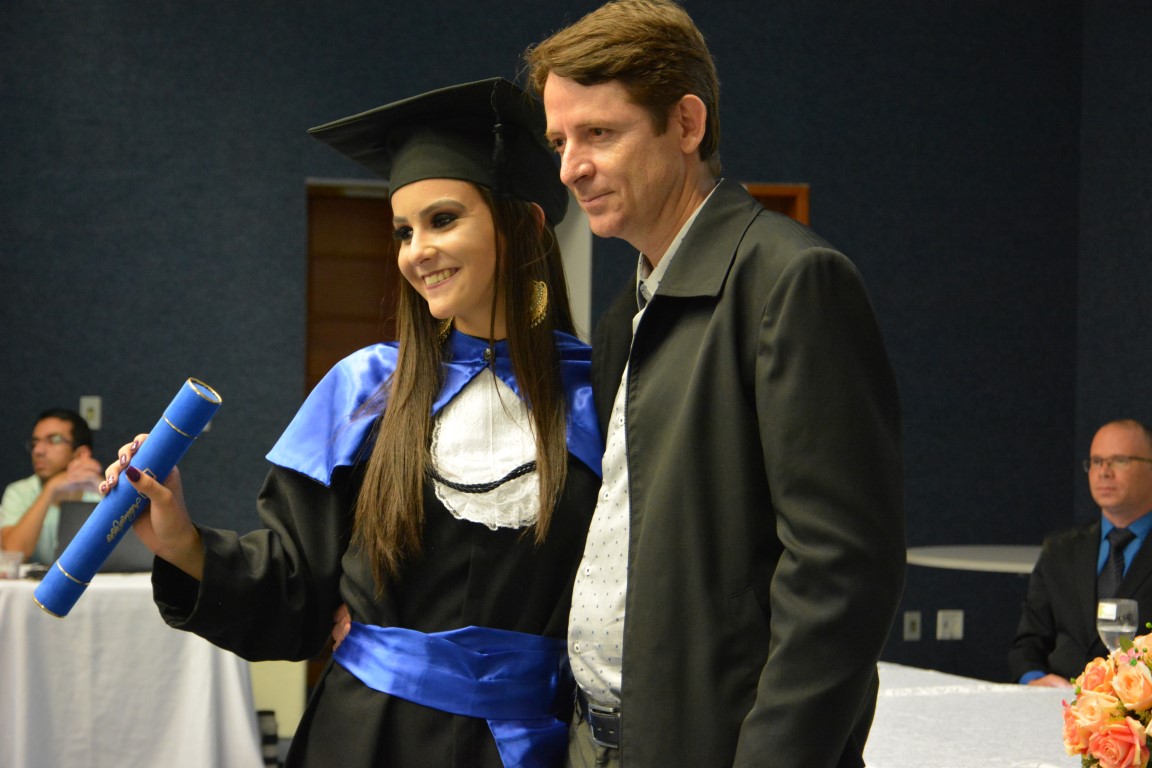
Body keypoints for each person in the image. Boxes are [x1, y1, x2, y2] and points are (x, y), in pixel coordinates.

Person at [101, 78, 602, 767]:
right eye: (403, 231)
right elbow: (296, 589)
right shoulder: (365, 390)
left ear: (524, 227)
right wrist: (182, 541)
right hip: (366, 739)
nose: (416, 251)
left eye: (443, 220)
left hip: (531, 746)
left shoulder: (600, 396)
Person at [521, 1, 906, 765]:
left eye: (599, 134)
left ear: (686, 124)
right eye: (560, 142)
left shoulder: (792, 283)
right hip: (597, 740)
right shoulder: (625, 316)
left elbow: (839, 577)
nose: (570, 168)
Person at [1010, 419, 1152, 687]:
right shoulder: (1060, 549)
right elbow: (1028, 643)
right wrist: (1034, 680)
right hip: (1058, 702)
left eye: (1119, 461)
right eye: (1096, 461)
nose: (1104, 472)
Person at [1, 409, 103, 563]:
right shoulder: (19, 492)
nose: (38, 451)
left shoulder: (98, 491)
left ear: (80, 454)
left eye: (53, 440)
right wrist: (50, 489)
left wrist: (104, 487)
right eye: (35, 443)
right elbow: (13, 553)